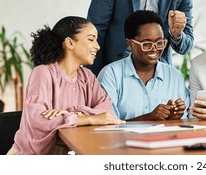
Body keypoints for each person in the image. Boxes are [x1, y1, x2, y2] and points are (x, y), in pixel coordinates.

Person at [7, 16, 124, 155]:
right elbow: (37, 120)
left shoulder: (87, 76)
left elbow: (107, 110)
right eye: (91, 39)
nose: (97, 46)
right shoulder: (43, 72)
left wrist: (73, 113)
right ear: (70, 43)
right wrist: (89, 118)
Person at [98, 10, 190, 121]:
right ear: (130, 43)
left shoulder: (175, 76)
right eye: (147, 44)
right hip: (123, 138)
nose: (154, 48)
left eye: (159, 42)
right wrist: (149, 118)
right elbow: (106, 124)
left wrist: (174, 118)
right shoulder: (111, 74)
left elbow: (186, 121)